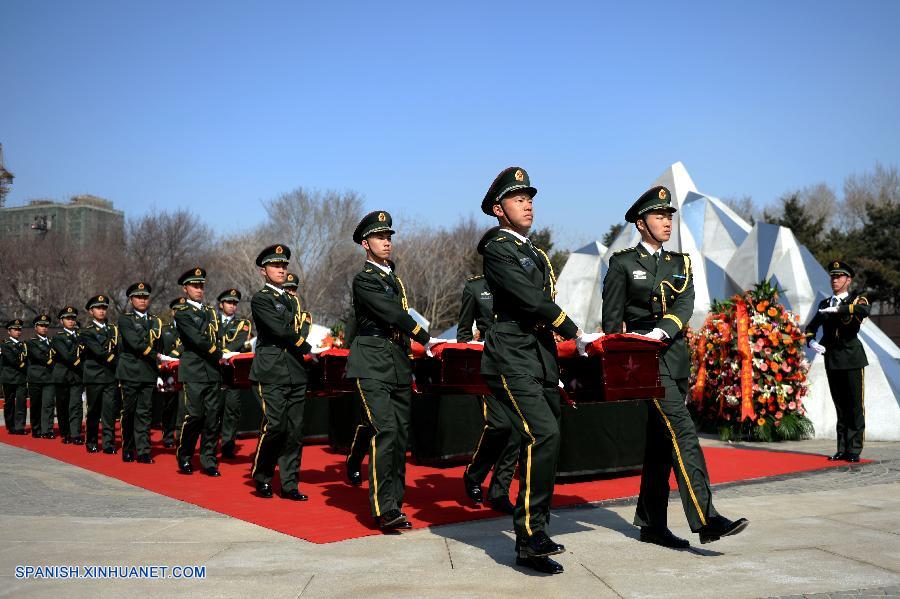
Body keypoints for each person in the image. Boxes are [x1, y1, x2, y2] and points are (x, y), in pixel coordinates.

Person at [602, 185, 749, 549]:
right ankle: (706, 518)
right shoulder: (621, 263)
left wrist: (661, 331)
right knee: (682, 432)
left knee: (660, 444)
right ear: (641, 223)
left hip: (675, 359)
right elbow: (611, 321)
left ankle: (652, 524)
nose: (667, 222)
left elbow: (683, 308)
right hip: (645, 365)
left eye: (669, 216)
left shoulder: (680, 263)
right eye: (659, 216)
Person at [478, 167, 599, 574]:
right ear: (498, 209)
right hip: (511, 353)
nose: (528, 204)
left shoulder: (533, 250)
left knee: (549, 436)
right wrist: (572, 328)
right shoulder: (497, 248)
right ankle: (529, 536)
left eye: (529, 197)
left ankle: (536, 535)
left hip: (538, 355)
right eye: (517, 199)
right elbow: (528, 298)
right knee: (540, 433)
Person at [346, 211, 444, 531]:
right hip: (371, 361)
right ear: (365, 244)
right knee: (384, 430)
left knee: (400, 436)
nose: (386, 242)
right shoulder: (364, 279)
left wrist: (411, 362)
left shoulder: (393, 278)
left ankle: (395, 503)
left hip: (398, 362)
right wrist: (426, 337)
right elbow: (390, 312)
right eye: (379, 237)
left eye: (389, 237)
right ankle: (383, 508)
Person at [248, 244, 312, 500]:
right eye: (276, 265)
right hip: (271, 371)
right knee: (276, 426)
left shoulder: (291, 300)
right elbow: (280, 330)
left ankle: (289, 484)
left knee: (294, 431)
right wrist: (305, 346)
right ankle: (262, 476)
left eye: (284, 265)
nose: (281, 269)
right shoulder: (261, 298)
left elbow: (299, 327)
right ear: (264, 270)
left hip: (295, 371)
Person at [459, 274, 518, 514]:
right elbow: (464, 331)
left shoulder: (517, 281)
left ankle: (499, 491)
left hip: (516, 359)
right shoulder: (474, 286)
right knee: (500, 425)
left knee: (517, 429)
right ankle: (475, 474)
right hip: (487, 362)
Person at [805, 260, 870, 462]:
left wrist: (839, 310)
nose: (834, 280)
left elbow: (862, 312)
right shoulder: (825, 304)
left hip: (852, 357)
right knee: (840, 406)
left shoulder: (858, 300)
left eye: (839, 276)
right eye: (832, 276)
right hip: (832, 359)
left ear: (848, 280)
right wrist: (811, 342)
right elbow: (811, 327)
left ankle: (854, 449)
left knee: (855, 406)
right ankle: (842, 448)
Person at [174, 268, 231, 477]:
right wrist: (218, 353)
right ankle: (186, 456)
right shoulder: (182, 313)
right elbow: (196, 339)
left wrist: (225, 352)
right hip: (194, 370)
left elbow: (219, 336)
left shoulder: (211, 312)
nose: (199, 289)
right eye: (194, 286)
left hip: (212, 371)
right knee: (195, 416)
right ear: (185, 288)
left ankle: (208, 460)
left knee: (212, 418)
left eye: (201, 286)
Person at [117, 282, 169, 464]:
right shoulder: (125, 319)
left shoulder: (156, 321)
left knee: (145, 413)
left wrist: (160, 372)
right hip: (130, 371)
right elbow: (135, 343)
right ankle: (128, 448)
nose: (142, 300)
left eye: (145, 297)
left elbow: (160, 345)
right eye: (138, 297)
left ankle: (144, 450)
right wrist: (158, 356)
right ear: (131, 300)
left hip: (148, 372)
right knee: (129, 411)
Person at [80, 295, 119, 453]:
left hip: (109, 376)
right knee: (94, 411)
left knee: (109, 412)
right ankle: (92, 441)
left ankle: (109, 444)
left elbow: (119, 348)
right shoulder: (87, 332)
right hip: (94, 376)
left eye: (104, 308)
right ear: (91, 311)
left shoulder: (113, 329)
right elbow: (99, 351)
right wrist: (118, 361)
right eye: (98, 308)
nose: (102, 311)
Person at [216, 288, 253, 459]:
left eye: (234, 303)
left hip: (232, 374)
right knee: (212, 411)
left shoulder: (242, 324)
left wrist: (221, 353)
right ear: (221, 304)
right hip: (214, 372)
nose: (232, 306)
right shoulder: (212, 322)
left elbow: (238, 342)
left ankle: (228, 445)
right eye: (229, 302)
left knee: (231, 411)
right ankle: (209, 445)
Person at [51, 307, 84, 445]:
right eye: (68, 318)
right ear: (61, 321)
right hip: (62, 377)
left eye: (73, 318)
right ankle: (66, 433)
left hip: (76, 377)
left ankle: (76, 434)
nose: (71, 321)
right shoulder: (58, 337)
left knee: (75, 405)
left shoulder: (81, 335)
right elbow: (68, 356)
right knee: (63, 406)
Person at [157, 298, 183, 448]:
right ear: (173, 312)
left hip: (185, 372)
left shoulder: (190, 329)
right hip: (168, 374)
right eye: (177, 310)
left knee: (183, 406)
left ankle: (180, 435)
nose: (179, 312)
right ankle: (167, 435)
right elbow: (159, 352)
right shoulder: (164, 330)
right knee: (169, 405)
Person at [26, 314, 55, 439]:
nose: (44, 328)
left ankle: (47, 430)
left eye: (46, 326)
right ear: (36, 327)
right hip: (36, 378)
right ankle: (36, 428)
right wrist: (52, 360)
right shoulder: (31, 342)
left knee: (48, 404)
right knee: (36, 405)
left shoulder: (53, 341)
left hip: (49, 377)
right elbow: (39, 356)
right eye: (41, 326)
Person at [1, 319, 28, 435]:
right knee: (9, 403)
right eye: (15, 329)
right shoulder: (5, 344)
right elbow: (12, 360)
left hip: (21, 378)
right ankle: (11, 425)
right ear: (9, 331)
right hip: (9, 378)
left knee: (21, 402)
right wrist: (25, 367)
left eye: (19, 329)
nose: (17, 332)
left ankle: (20, 426)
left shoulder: (23, 345)